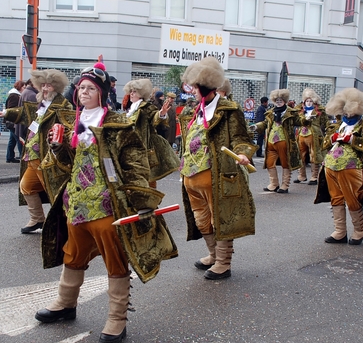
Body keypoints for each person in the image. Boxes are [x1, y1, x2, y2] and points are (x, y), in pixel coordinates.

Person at [35, 64, 177, 343]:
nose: (83, 92)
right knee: (72, 254)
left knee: (114, 258)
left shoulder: (118, 124)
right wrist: (57, 147)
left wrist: (142, 201)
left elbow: (135, 165)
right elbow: (67, 165)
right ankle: (65, 303)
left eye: (90, 88)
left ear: (101, 92)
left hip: (107, 204)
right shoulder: (71, 120)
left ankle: (117, 318)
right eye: (81, 88)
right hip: (75, 204)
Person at [178, 56, 257, 280]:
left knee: (221, 219)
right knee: (201, 219)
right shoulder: (196, 111)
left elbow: (242, 137)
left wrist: (243, 153)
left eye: (194, 87)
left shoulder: (229, 110)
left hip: (217, 176)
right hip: (191, 177)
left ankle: (223, 263)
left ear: (204, 86)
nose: (192, 91)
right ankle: (212, 255)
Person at [0, 69, 73, 234]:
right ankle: (37, 219)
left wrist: (58, 143)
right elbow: (24, 113)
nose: (45, 89)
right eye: (43, 85)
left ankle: (67, 224)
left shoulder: (63, 105)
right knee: (27, 186)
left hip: (46, 157)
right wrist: (6, 113)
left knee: (55, 192)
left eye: (49, 86)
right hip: (32, 156)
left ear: (57, 87)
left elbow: (68, 128)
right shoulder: (41, 104)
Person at [316, 88, 363, 245]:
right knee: (336, 199)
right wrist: (333, 138)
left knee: (353, 199)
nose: (347, 112)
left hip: (352, 167)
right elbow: (323, 143)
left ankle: (359, 230)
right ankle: (340, 231)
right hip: (331, 166)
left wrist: (352, 140)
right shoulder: (337, 124)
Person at [123, 79, 179, 185]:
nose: (131, 93)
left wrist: (161, 113)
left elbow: (155, 117)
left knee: (147, 181)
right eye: (131, 91)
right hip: (129, 149)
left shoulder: (146, 107)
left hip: (143, 150)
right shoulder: (131, 109)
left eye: (134, 91)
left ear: (141, 93)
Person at [253, 89, 302, 194]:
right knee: (269, 163)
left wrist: (307, 118)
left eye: (280, 100)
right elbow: (265, 123)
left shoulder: (291, 112)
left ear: (284, 100)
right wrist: (256, 126)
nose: (278, 101)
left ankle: (285, 185)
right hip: (270, 142)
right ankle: (274, 184)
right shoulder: (271, 112)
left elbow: (299, 122)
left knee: (286, 163)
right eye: (276, 100)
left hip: (284, 141)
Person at [295, 88, 328, 185]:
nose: (309, 103)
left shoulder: (320, 111)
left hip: (314, 135)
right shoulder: (300, 111)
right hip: (301, 134)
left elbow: (325, 122)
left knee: (314, 156)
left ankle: (314, 177)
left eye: (310, 101)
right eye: (307, 101)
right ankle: (302, 176)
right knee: (301, 155)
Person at [4, 80, 25, 163]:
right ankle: (21, 155)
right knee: (18, 139)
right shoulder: (14, 96)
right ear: (19, 87)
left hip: (11, 122)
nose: (24, 88)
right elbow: (11, 108)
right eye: (23, 87)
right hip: (12, 122)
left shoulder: (15, 95)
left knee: (12, 140)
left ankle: (9, 157)